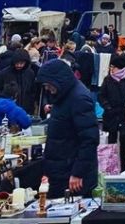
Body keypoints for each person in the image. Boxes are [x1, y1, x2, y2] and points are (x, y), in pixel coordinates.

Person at [36, 60, 98, 198]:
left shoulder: (78, 98)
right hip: (62, 169)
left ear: (57, 80)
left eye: (47, 84)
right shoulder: (64, 95)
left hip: (72, 175)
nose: (46, 88)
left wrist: (78, 172)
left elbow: (89, 139)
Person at [99, 55, 125, 168]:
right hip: (111, 115)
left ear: (120, 68)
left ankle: (124, 167)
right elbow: (101, 96)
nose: (111, 69)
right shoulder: (108, 79)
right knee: (111, 142)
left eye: (113, 67)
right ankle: (111, 167)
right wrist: (107, 106)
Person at [0, 50, 39, 115]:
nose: (19, 65)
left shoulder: (30, 73)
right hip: (8, 109)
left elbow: (33, 90)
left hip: (26, 108)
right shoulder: (4, 73)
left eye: (22, 63)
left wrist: (31, 103)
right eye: (17, 63)